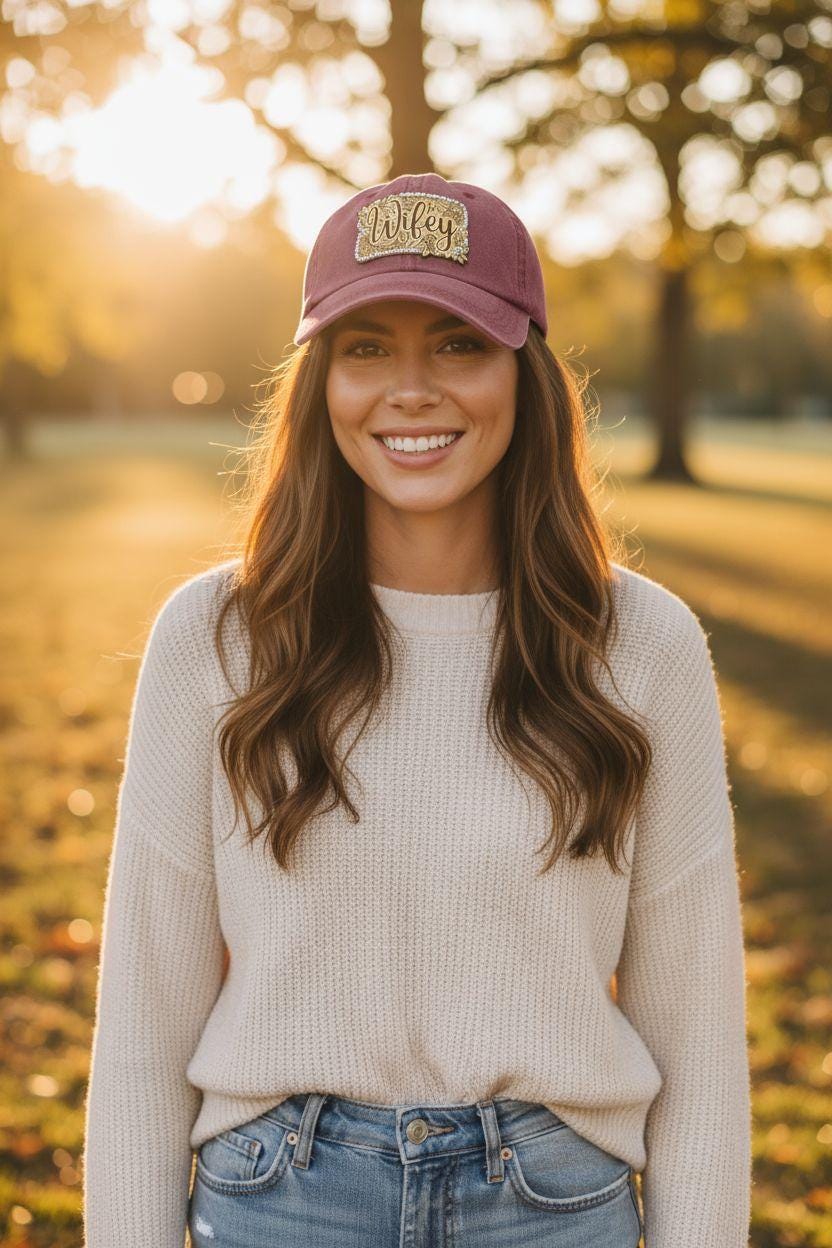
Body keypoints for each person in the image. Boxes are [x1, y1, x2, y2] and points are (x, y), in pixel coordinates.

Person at [82, 171, 752, 1248]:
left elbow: (699, 1036)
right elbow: (144, 1029)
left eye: (456, 344)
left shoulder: (641, 645)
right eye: (364, 348)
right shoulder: (215, 636)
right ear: (321, 384)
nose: (410, 389)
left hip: (551, 1208)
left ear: (522, 374)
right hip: (280, 1201)